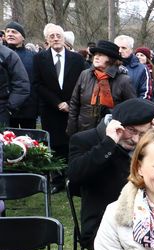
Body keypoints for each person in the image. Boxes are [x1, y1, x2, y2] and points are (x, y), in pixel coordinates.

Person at [68, 98, 154, 250]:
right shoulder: (85, 140)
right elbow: (75, 177)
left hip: (148, 220)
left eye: (142, 133)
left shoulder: (148, 142)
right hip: (101, 225)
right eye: (132, 131)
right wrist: (109, 143)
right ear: (116, 124)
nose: (136, 139)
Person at [33, 23, 86, 191]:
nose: (55, 38)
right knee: (54, 145)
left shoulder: (77, 59)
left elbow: (82, 83)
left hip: (73, 109)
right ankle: (57, 180)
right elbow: (38, 84)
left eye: (58, 35)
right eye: (52, 36)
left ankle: (73, 180)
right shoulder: (39, 58)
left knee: (72, 143)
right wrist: (57, 102)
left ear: (64, 38)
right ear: (46, 40)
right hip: (51, 109)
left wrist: (71, 103)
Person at [66, 40, 136, 136]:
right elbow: (74, 104)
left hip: (110, 133)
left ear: (111, 59)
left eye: (101, 55)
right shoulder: (85, 75)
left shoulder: (123, 80)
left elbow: (131, 110)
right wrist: (72, 130)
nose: (96, 57)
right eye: (95, 54)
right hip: (83, 131)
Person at [4, 21, 37, 128]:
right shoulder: (2, 55)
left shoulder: (33, 57)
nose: (10, 34)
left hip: (28, 110)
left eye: (14, 32)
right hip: (5, 109)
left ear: (23, 37)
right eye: (7, 31)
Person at [114, 35, 152, 100]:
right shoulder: (108, 65)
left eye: (124, 48)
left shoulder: (142, 69)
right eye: (117, 48)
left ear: (131, 50)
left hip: (133, 107)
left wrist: (135, 108)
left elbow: (145, 94)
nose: (120, 50)